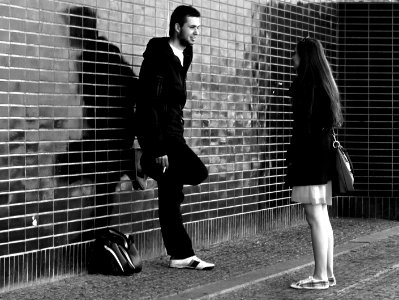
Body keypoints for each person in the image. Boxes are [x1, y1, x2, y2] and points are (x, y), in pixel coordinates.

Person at [136, 5, 214, 270]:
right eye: (192, 27)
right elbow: (148, 103)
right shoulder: (158, 55)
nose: (196, 33)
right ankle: (146, 161)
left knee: (172, 192)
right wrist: (155, 148)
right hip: (162, 137)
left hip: (174, 132)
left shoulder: (186, 54)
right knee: (193, 174)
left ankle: (180, 255)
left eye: (198, 28)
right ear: (177, 27)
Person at [286, 38, 343, 289]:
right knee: (322, 215)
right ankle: (326, 273)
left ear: (305, 57)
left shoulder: (305, 84)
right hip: (321, 154)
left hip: (309, 156)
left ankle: (320, 276)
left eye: (296, 55)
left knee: (314, 215)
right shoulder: (323, 83)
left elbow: (302, 126)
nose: (292, 59)